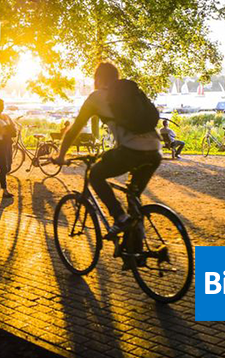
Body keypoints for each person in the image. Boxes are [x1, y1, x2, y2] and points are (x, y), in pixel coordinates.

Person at [54, 62, 161, 236]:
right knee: (133, 195)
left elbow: (74, 130)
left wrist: (61, 156)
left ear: (98, 78)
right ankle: (135, 244)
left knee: (95, 175)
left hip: (132, 151)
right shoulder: (130, 93)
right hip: (155, 150)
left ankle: (120, 218)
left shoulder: (96, 98)